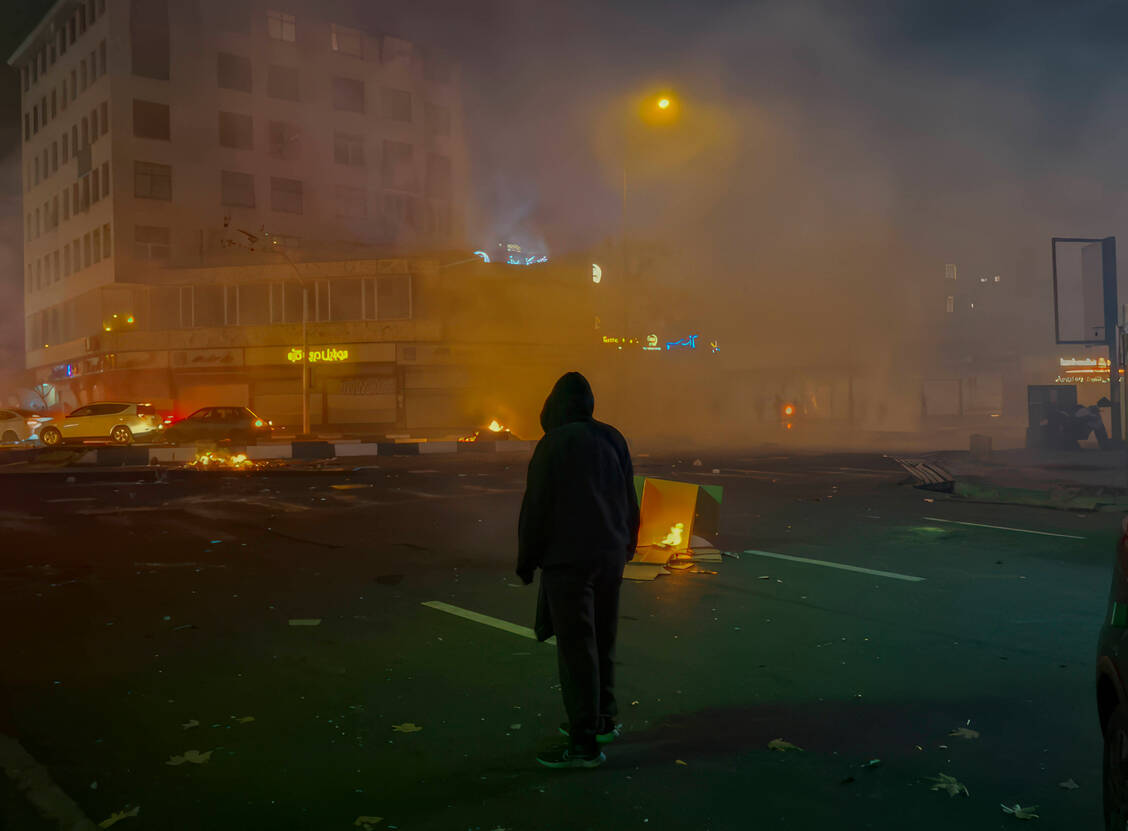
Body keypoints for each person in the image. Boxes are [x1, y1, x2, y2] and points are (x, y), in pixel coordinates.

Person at [517, 372, 640, 769]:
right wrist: (628, 545)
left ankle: (584, 744)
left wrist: (527, 560)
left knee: (576, 651)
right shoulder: (613, 437)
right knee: (603, 641)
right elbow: (628, 497)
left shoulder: (553, 444)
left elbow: (536, 507)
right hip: (609, 556)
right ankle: (603, 720)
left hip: (569, 561)